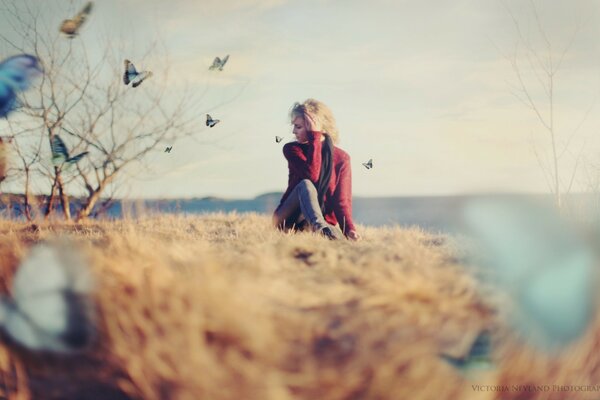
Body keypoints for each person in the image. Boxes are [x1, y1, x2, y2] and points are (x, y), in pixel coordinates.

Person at [273, 99, 360, 241]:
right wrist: (315, 138)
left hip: (321, 221)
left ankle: (322, 230)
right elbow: (312, 175)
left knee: (339, 239)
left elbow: (342, 201)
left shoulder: (342, 158)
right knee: (305, 185)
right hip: (288, 219)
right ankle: (320, 229)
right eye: (294, 126)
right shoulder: (292, 149)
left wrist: (349, 229)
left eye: (298, 127)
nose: (293, 131)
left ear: (319, 128)